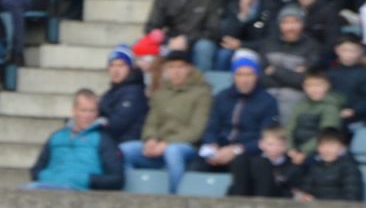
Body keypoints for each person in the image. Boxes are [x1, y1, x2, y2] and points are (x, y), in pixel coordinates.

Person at [119, 50, 211, 192]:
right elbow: (151, 122)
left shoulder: (202, 93)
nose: (176, 72)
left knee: (172, 152)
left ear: (189, 68)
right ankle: (130, 196)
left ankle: (174, 200)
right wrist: (150, 139)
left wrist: (167, 143)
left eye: (180, 67)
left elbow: (196, 130)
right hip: (159, 146)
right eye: (172, 67)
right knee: (124, 151)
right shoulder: (161, 93)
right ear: (166, 70)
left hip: (188, 148)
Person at [198, 52, 281, 178]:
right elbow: (211, 127)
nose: (244, 79)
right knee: (197, 165)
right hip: (220, 148)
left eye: (249, 74)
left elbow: (266, 137)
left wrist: (238, 149)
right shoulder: (222, 97)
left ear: (257, 76)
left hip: (247, 152)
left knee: (241, 165)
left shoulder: (268, 101)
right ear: (234, 76)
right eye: (240, 75)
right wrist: (212, 144)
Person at [29, 89, 124, 191]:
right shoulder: (56, 136)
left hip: (79, 192)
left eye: (92, 111)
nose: (88, 116)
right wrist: (46, 177)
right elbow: (36, 170)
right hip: (48, 188)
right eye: (83, 110)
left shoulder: (103, 139)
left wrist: (86, 180)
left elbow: (117, 179)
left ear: (97, 113)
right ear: (74, 111)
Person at [211, 0, 272, 71]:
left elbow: (269, 40)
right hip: (233, 49)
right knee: (223, 54)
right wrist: (242, 14)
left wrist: (242, 45)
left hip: (257, 49)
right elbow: (225, 36)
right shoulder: (231, 5)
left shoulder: (270, 6)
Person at [228, 125, 304, 198]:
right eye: (270, 144)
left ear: (286, 145)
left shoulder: (291, 165)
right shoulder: (251, 163)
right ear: (261, 144)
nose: (275, 148)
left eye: (280, 145)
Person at [293, 127, 363, 201]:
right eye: (322, 145)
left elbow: (352, 197)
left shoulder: (350, 167)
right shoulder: (313, 166)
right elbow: (305, 189)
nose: (326, 150)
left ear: (342, 147)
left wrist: (317, 201)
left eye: (331, 145)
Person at [287, 69, 343, 161]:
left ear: (327, 86)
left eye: (318, 85)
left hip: (317, 153)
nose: (314, 89)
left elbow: (326, 136)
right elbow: (289, 128)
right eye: (309, 85)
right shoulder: (301, 105)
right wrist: (290, 149)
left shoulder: (331, 107)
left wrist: (303, 151)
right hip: (296, 150)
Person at [99, 46, 148, 145]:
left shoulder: (135, 92)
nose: (116, 70)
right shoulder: (110, 93)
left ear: (130, 68)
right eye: (112, 65)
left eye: (121, 65)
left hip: (126, 144)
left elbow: (117, 124)